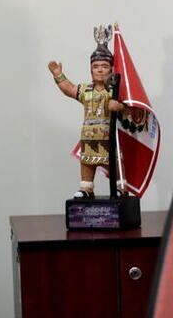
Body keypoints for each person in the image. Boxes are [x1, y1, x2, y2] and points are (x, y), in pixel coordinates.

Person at [48, 25, 128, 198]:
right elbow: (69, 89)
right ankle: (86, 189)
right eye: (96, 66)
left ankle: (121, 188)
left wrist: (119, 106)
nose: (100, 69)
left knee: (115, 162)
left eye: (104, 66)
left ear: (111, 69)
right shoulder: (86, 90)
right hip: (89, 136)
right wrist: (58, 75)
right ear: (91, 69)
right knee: (87, 163)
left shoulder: (114, 91)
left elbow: (130, 110)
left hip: (109, 136)